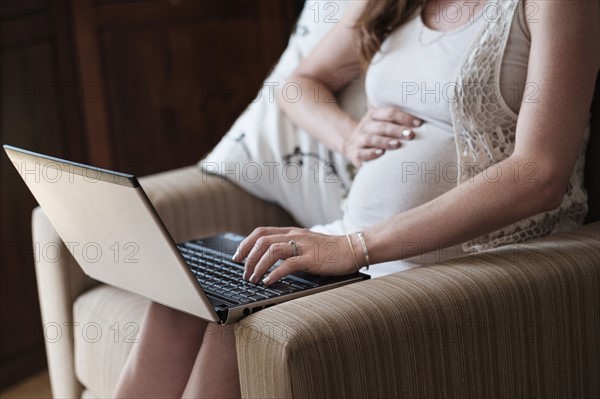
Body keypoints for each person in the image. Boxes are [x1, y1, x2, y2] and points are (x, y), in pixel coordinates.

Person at [114, 0, 599, 397]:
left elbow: (539, 173)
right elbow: (298, 84)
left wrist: (355, 247)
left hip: (464, 264)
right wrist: (347, 135)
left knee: (231, 329)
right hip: (352, 249)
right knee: (184, 294)